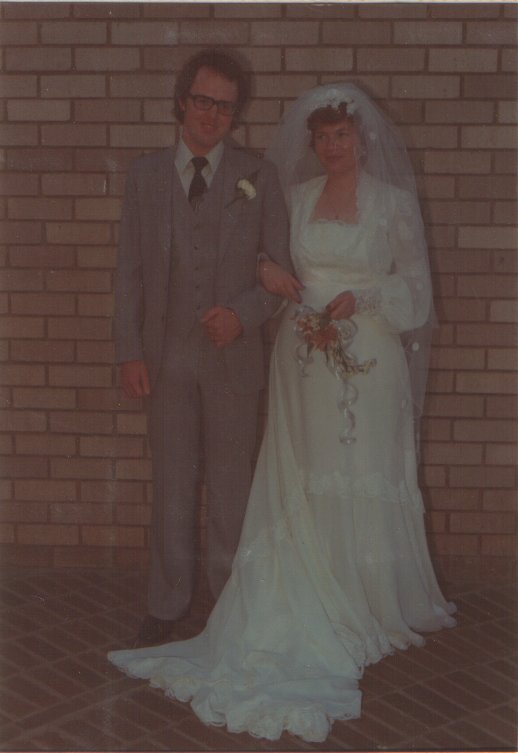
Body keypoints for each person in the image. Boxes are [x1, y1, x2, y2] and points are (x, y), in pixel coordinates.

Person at [109, 83, 456, 742]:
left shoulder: (393, 204)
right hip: (302, 359)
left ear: (363, 139)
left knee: (360, 470)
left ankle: (365, 599)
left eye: (341, 136)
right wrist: (267, 271)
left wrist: (365, 297)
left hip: (368, 356)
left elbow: (416, 288)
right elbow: (261, 255)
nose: (332, 147)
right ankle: (295, 588)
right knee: (305, 470)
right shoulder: (293, 198)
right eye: (322, 138)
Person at [113, 48, 293, 648]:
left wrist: (242, 316)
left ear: (236, 114)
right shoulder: (144, 177)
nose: (212, 115)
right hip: (166, 361)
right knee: (172, 484)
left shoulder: (258, 176)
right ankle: (167, 603)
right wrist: (129, 351)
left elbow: (279, 275)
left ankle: (228, 601)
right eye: (203, 101)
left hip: (232, 363)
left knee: (231, 489)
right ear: (181, 102)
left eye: (225, 106)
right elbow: (129, 273)